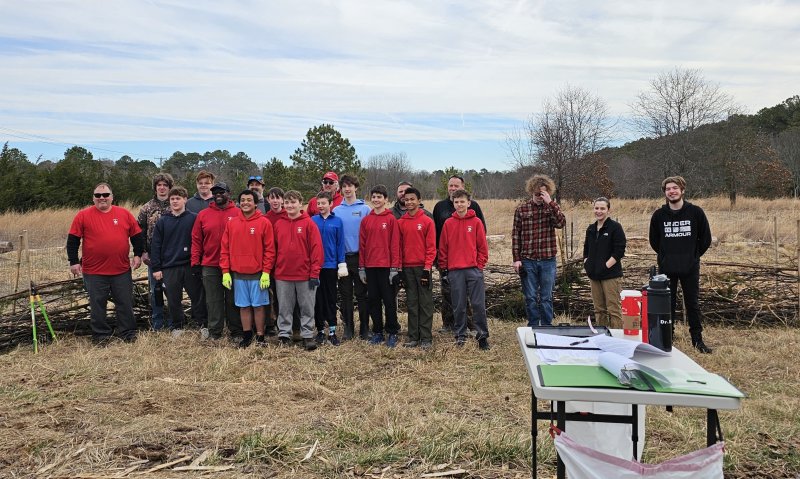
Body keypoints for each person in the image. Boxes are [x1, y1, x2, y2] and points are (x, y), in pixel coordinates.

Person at [67, 183, 143, 344]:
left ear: (112, 197)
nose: (102, 198)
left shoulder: (124, 214)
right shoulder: (83, 215)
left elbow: (137, 236)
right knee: (97, 305)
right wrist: (73, 262)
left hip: (121, 269)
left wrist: (137, 255)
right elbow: (73, 240)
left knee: (124, 303)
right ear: (93, 198)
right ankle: (101, 336)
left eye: (105, 195)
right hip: (94, 271)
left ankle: (128, 333)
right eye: (98, 195)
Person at [649, 176, 713, 354]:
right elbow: (654, 241)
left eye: (675, 188)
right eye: (668, 189)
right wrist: (664, 257)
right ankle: (667, 338)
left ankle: (697, 341)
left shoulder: (696, 212)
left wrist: (693, 256)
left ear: (682, 190)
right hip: (667, 268)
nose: (672, 191)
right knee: (666, 305)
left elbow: (705, 239)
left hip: (689, 267)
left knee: (692, 304)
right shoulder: (659, 216)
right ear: (665, 193)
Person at [220, 189, 275, 348]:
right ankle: (246, 336)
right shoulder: (232, 223)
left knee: (258, 306)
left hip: (258, 274)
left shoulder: (264, 222)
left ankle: (260, 337)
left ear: (256, 203)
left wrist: (266, 272)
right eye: (242, 200)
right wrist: (225, 272)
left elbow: (270, 250)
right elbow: (225, 249)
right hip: (238, 274)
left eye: (249, 200)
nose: (245, 203)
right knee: (243, 306)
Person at [438, 189, 490, 350]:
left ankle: (482, 335)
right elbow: (443, 248)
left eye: (462, 201)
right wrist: (445, 269)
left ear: (468, 203)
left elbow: (482, 247)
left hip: (473, 270)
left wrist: (479, 265)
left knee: (478, 305)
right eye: (456, 202)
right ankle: (460, 334)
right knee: (459, 305)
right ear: (453, 204)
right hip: (455, 271)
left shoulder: (476, 222)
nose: (459, 204)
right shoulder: (448, 223)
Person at [191, 182, 244, 341]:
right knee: (213, 300)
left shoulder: (238, 213)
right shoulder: (203, 214)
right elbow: (196, 239)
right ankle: (215, 331)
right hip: (210, 264)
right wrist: (195, 261)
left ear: (229, 193)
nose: (218, 194)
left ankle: (236, 331)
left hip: (233, 265)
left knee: (233, 299)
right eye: (215, 192)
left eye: (221, 191)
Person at [432, 175, 485, 334]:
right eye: (450, 185)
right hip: (447, 259)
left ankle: (473, 327)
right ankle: (449, 325)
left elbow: (482, 235)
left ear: (463, 188)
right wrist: (440, 260)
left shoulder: (474, 207)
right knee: (449, 294)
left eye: (456, 186)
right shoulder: (440, 207)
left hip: (470, 261)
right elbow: (436, 234)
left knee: (472, 298)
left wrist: (479, 262)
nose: (453, 188)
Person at [512, 174, 566, 326]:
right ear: (531, 192)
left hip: (548, 260)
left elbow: (561, 223)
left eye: (543, 193)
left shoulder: (552, 208)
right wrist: (516, 259)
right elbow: (516, 235)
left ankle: (547, 327)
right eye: (537, 193)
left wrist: (551, 204)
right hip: (528, 260)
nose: (539, 196)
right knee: (530, 296)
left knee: (546, 296)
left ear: (548, 192)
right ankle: (533, 326)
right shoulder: (522, 209)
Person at [273, 190, 324, 351]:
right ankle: (284, 334)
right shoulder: (279, 224)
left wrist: (314, 272)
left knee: (307, 307)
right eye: (287, 202)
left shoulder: (309, 224)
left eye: (293, 202)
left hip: (305, 275)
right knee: (284, 307)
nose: (289, 205)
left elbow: (317, 250)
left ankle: (307, 335)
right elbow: (273, 249)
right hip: (283, 274)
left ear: (300, 204)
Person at [150, 186, 204, 336]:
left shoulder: (194, 218)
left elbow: (200, 241)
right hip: (169, 266)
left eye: (178, 198)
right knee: (173, 299)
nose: (175, 201)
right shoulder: (163, 221)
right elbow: (156, 245)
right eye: (172, 199)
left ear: (185, 199)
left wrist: (198, 262)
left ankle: (202, 324)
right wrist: (156, 268)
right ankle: (177, 326)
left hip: (190, 265)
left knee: (197, 297)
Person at [359, 184, 401, 348]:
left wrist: (394, 269)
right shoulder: (366, 220)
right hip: (370, 267)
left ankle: (392, 332)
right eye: (374, 197)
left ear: (386, 200)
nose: (376, 200)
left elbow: (395, 245)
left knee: (389, 301)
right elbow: (362, 245)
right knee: (373, 300)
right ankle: (377, 331)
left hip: (386, 268)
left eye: (379, 197)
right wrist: (362, 267)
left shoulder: (391, 219)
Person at [333, 174, 372, 340]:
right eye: (344, 186)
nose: (347, 189)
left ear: (356, 188)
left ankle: (364, 328)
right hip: (343, 259)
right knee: (346, 295)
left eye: (350, 186)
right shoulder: (336, 210)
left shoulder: (365, 209)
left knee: (362, 295)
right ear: (341, 189)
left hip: (361, 258)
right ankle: (349, 328)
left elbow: (370, 236)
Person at [397, 187, 436, 348]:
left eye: (412, 199)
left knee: (425, 303)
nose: (409, 202)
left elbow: (431, 247)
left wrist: (427, 268)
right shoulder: (401, 223)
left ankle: (426, 337)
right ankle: (413, 336)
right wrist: (399, 269)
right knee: (412, 302)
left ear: (419, 201)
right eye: (406, 200)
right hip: (407, 269)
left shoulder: (427, 221)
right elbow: (398, 247)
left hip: (422, 268)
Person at [137, 173, 174, 330]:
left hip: (173, 256)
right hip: (153, 257)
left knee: (172, 290)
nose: (162, 187)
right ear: (155, 187)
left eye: (165, 185)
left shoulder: (175, 205)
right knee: (155, 290)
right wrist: (143, 252)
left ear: (169, 187)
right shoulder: (146, 208)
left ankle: (175, 322)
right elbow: (139, 231)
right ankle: (158, 322)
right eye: (159, 185)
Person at [583, 197, 626, 328]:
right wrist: (587, 264)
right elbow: (586, 250)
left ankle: (617, 339)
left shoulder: (615, 227)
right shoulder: (591, 229)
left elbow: (619, 251)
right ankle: (603, 338)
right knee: (599, 310)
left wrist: (605, 266)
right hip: (594, 275)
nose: (599, 211)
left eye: (602, 208)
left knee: (613, 309)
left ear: (608, 210)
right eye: (596, 208)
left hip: (610, 275)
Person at [311, 191, 347, 346]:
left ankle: (332, 331)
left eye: (323, 203)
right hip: (316, 267)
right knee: (318, 299)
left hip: (331, 266)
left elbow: (340, 244)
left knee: (331, 298)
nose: (321, 206)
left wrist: (341, 263)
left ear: (331, 204)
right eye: (318, 203)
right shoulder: (312, 221)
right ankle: (320, 330)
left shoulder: (337, 221)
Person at [264, 187, 288, 336]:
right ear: (268, 200)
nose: (275, 201)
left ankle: (283, 326)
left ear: (282, 200)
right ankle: (269, 324)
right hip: (268, 264)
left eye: (278, 198)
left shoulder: (288, 216)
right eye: (272, 198)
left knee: (281, 297)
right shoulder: (265, 218)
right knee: (267, 296)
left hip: (283, 264)